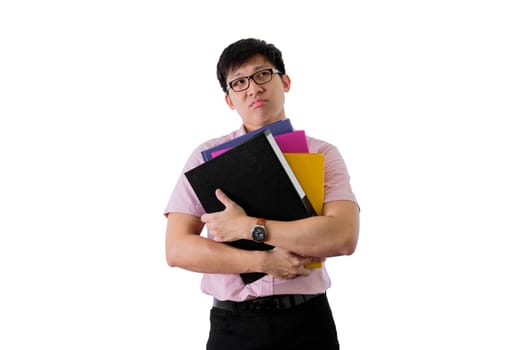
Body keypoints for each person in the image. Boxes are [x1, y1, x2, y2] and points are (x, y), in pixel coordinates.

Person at [164, 38, 360, 350]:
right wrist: (262, 261)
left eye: (262, 75)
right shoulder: (206, 157)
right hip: (233, 328)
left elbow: (343, 237)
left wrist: (247, 228)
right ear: (230, 100)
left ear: (285, 81)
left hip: (307, 323)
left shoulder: (323, 153)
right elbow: (177, 249)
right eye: (239, 82)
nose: (252, 88)